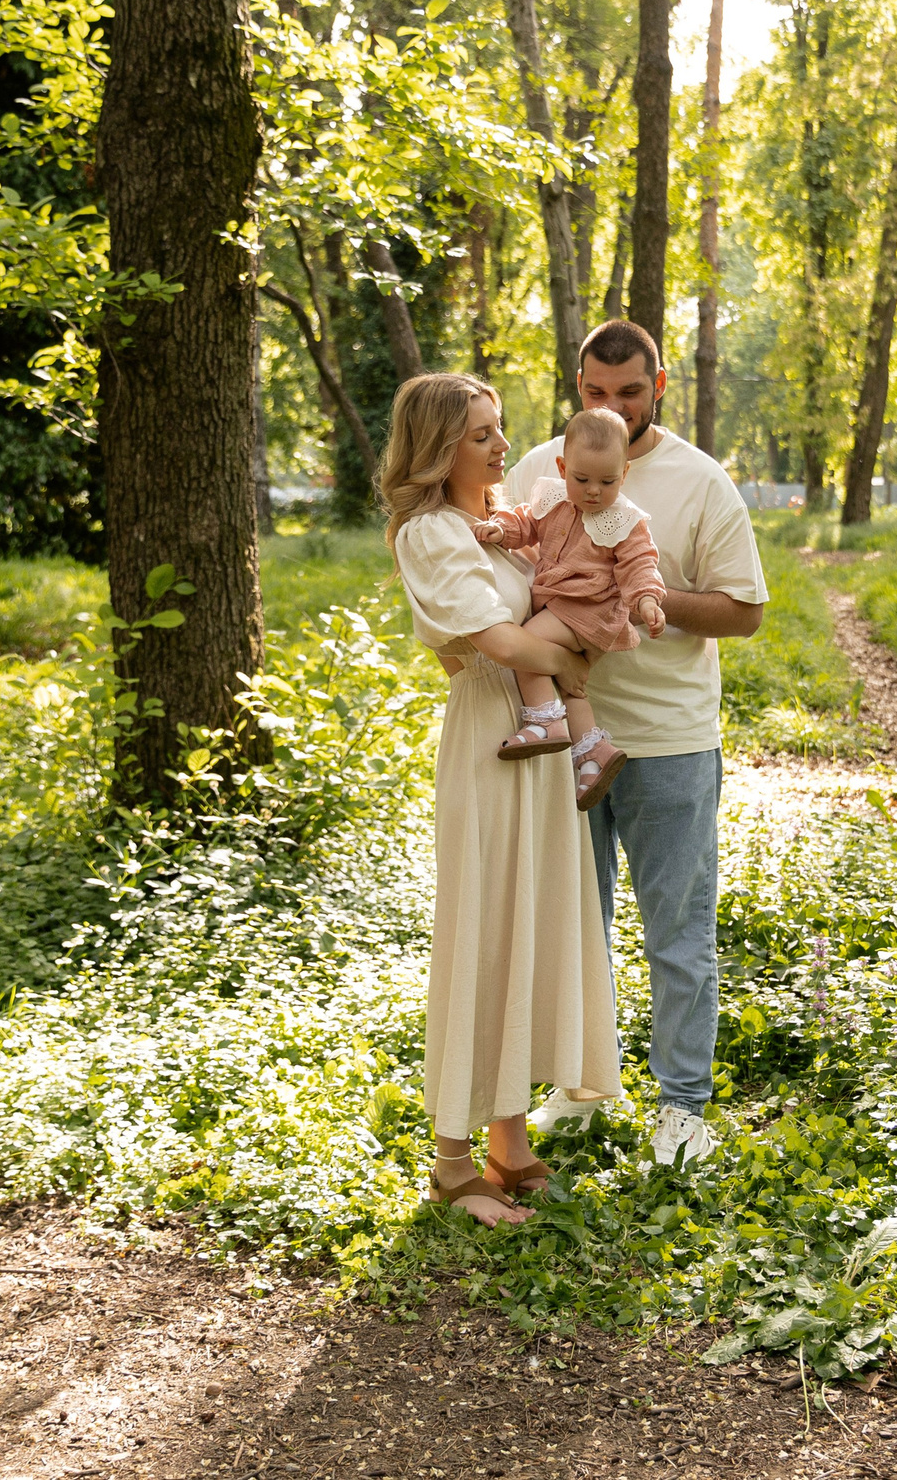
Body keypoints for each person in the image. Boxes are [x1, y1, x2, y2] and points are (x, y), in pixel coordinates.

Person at [505, 320, 768, 1169]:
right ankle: (584, 1089)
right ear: (578, 387)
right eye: (593, 391)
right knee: (575, 927)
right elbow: (502, 568)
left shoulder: (700, 481)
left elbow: (745, 611)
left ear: (659, 388)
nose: (609, 407)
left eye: (627, 392)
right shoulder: (544, 470)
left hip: (670, 743)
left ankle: (683, 1108)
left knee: (677, 934)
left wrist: (636, 597)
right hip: (564, 744)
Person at [381, 371, 624, 1225]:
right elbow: (493, 638)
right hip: (493, 734)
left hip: (539, 735)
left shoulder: (498, 526)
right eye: (481, 433)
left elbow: (554, 603)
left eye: (499, 428)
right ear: (439, 445)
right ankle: (453, 1164)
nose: (500, 445)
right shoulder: (431, 533)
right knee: (485, 929)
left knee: (530, 920)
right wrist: (567, 661)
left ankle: (510, 1142)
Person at [473, 406, 668, 809]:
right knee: (568, 682)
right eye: (582, 479)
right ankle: (592, 754)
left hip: (589, 611)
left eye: (607, 481)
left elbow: (639, 563)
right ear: (563, 468)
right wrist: (502, 529)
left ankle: (544, 721)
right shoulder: (553, 499)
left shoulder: (624, 520)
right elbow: (526, 522)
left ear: (625, 474)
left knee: (527, 645)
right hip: (563, 609)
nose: (594, 490)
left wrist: (647, 599)